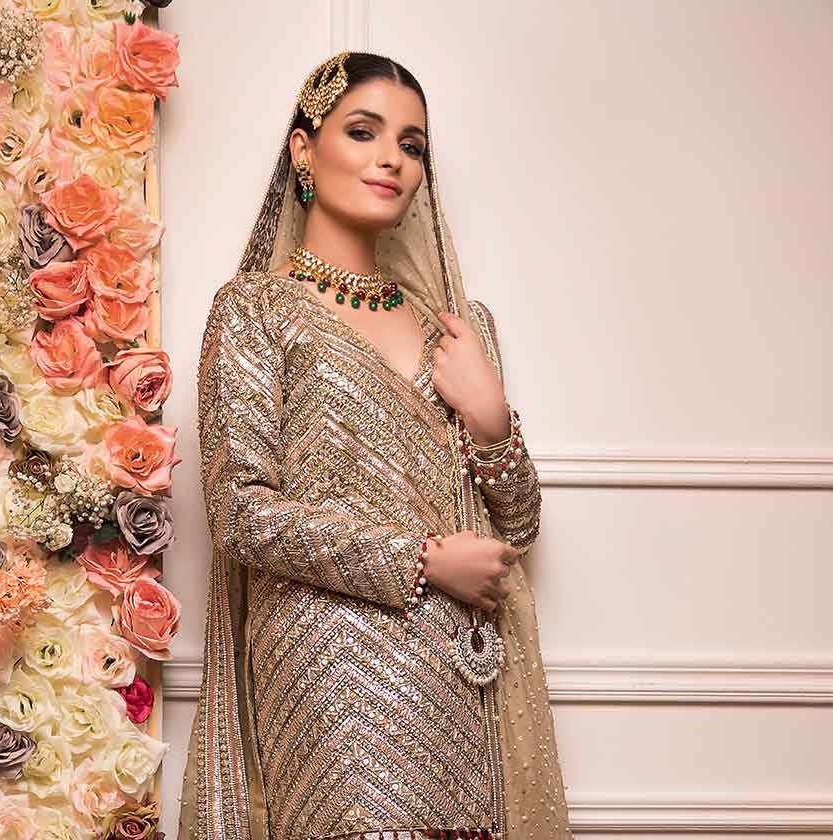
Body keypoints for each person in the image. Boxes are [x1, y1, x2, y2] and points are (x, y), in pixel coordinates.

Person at [179, 52, 573, 840]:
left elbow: (519, 526)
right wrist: (421, 560)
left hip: (457, 669)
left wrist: (491, 420)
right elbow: (240, 515)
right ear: (304, 150)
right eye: (363, 132)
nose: (392, 157)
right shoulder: (255, 309)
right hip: (327, 662)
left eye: (412, 144)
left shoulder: (458, 328)